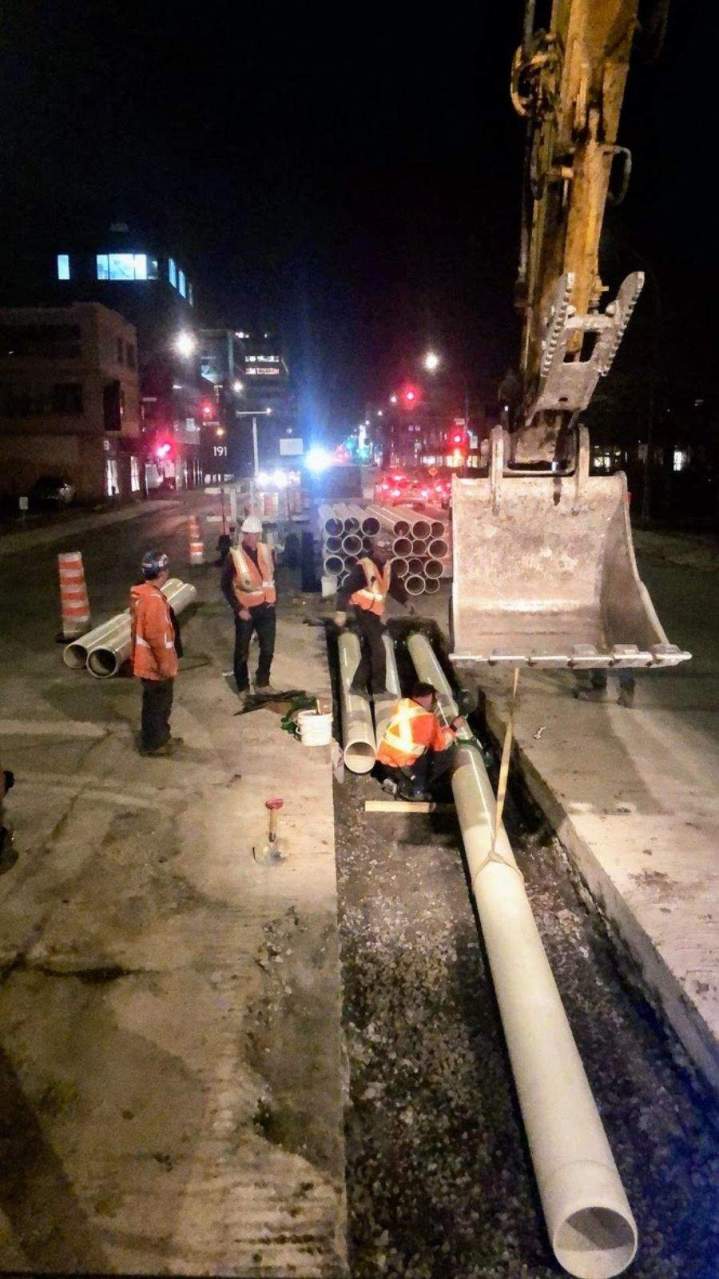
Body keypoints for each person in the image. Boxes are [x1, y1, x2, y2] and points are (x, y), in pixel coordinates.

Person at [334, 535, 415, 695]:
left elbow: (394, 587)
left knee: (369, 650)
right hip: (363, 612)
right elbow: (346, 590)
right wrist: (340, 611)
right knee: (379, 651)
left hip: (374, 613)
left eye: (388, 552)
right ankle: (378, 690)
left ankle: (357, 686)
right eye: (383, 551)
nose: (386, 554)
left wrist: (406, 602)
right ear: (375, 550)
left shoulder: (387, 567)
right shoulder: (364, 566)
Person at [221, 514, 277, 703]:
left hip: (266, 607)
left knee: (268, 648)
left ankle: (263, 682)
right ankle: (243, 687)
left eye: (256, 534)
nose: (253, 538)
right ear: (244, 534)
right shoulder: (235, 555)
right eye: (249, 534)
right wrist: (238, 608)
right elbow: (225, 585)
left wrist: (272, 599)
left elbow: (271, 576)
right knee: (242, 651)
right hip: (246, 610)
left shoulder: (266, 550)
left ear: (260, 534)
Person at [130, 550, 181, 756]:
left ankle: (162, 737)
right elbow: (157, 637)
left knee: (156, 704)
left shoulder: (144, 594)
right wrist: (165, 665)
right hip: (154, 664)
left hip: (148, 661)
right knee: (158, 706)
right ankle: (154, 743)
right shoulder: (153, 600)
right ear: (162, 573)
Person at [375, 681, 462, 801]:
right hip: (404, 764)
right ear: (427, 698)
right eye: (433, 700)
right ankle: (414, 789)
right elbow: (441, 744)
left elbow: (416, 731)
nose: (433, 703)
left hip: (384, 758)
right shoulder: (428, 719)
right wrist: (453, 727)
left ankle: (389, 778)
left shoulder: (403, 704)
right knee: (447, 754)